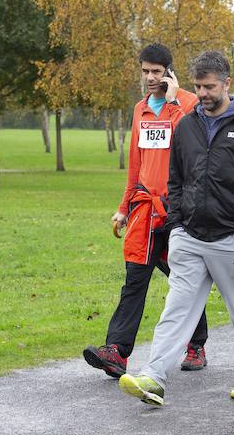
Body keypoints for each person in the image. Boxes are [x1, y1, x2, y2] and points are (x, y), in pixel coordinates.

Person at [118, 50, 234, 406]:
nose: (202, 94)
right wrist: (176, 227)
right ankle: (154, 377)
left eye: (209, 87)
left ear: (227, 83)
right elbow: (176, 179)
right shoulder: (187, 125)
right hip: (189, 237)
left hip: (232, 239)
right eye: (199, 87)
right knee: (176, 310)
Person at [83, 43, 210, 378]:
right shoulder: (140, 109)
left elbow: (195, 141)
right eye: (145, 71)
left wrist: (172, 102)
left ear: (169, 71)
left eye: (156, 71)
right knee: (134, 278)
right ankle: (117, 353)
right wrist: (123, 207)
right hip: (144, 208)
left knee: (184, 279)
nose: (150, 77)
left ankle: (196, 346)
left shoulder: (188, 104)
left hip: (179, 209)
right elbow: (135, 163)